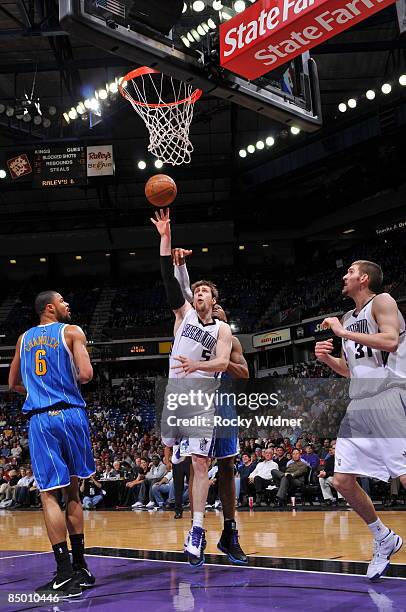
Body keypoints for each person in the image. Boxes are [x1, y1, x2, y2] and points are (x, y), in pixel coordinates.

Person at [151, 209, 232, 566]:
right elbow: (171, 281)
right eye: (196, 290)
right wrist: (165, 238)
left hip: (201, 398)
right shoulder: (182, 315)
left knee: (201, 463)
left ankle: (197, 529)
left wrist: (198, 364)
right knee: (171, 458)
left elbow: (223, 362)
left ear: (213, 301)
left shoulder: (222, 330)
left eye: (204, 292)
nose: (198, 294)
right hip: (174, 397)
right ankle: (176, 456)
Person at [315, 260, 405, 580]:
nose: (344, 275)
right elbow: (351, 369)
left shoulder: (382, 301)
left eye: (350, 271)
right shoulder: (347, 318)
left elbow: (391, 340)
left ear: (363, 278)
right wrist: (328, 359)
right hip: (358, 405)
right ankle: (384, 537)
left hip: (386, 398)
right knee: (341, 480)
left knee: (405, 475)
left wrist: (342, 332)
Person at [8, 290, 96, 597]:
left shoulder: (23, 339)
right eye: (62, 301)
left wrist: (39, 390)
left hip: (43, 417)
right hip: (72, 413)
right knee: (73, 490)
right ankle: (81, 567)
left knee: (48, 494)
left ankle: (63, 572)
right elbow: (86, 374)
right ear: (49, 308)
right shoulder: (72, 332)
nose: (67, 304)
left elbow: (12, 383)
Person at [172, 248, 248, 564]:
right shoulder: (191, 326)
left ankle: (230, 532)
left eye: (220, 312)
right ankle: (196, 530)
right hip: (195, 400)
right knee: (197, 465)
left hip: (224, 402)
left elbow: (244, 372)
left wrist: (222, 359)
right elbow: (184, 295)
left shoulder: (228, 337)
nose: (215, 314)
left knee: (228, 465)